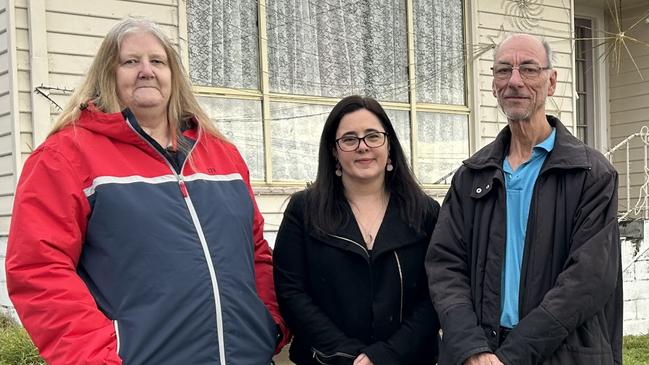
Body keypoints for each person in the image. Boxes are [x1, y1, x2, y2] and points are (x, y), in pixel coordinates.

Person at [5, 17, 288, 365]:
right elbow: (39, 270)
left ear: (173, 75)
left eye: (157, 61)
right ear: (108, 73)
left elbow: (256, 251)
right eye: (130, 61)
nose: (145, 71)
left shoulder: (222, 155)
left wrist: (269, 323)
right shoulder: (64, 157)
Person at [425, 33, 622, 365]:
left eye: (528, 69)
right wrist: (473, 349)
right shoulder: (472, 175)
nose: (514, 81)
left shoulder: (591, 174)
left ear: (551, 82)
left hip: (562, 354)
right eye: (503, 70)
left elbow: (588, 279)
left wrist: (513, 356)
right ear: (493, 84)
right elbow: (444, 266)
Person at [273, 95, 440, 365]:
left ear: (389, 146)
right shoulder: (304, 211)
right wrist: (347, 356)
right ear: (334, 151)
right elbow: (291, 292)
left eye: (373, 136)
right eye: (349, 139)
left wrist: (385, 356)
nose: (363, 146)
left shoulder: (425, 213)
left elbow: (436, 294)